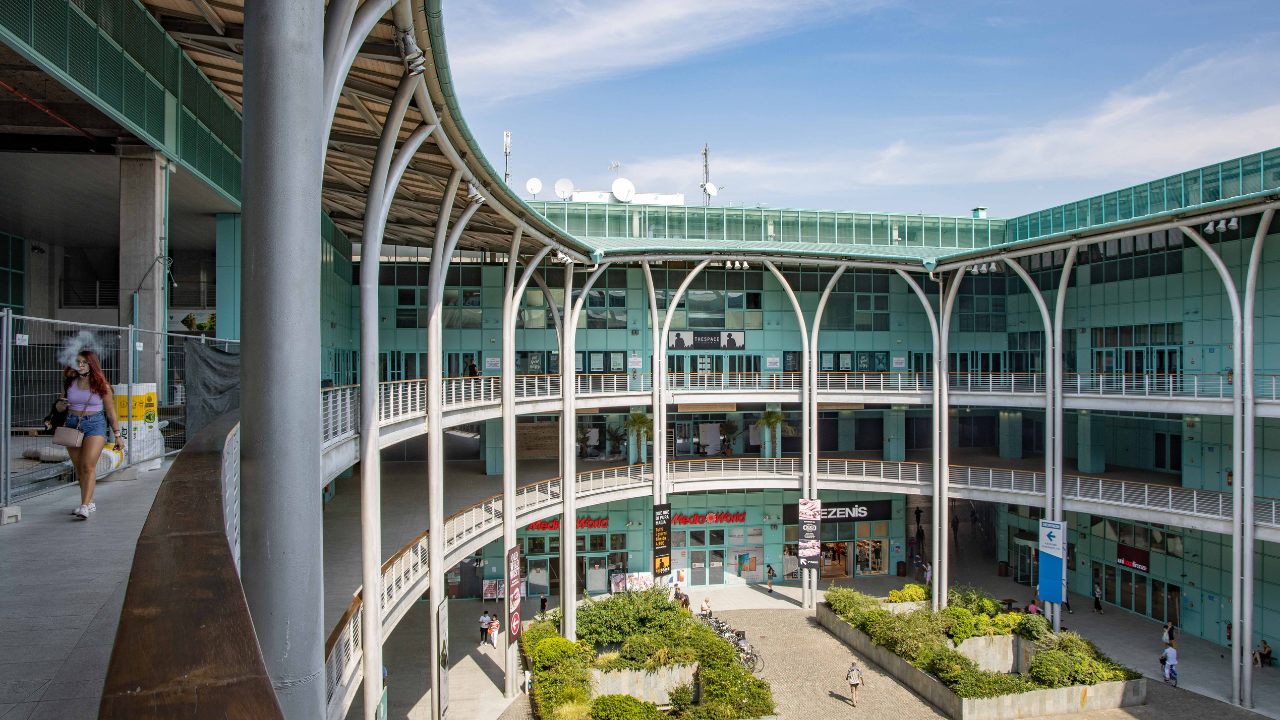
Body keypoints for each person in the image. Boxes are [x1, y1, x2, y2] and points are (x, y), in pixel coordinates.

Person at [59, 351, 124, 521]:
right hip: (73, 423)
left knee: (89, 466)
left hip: (95, 424)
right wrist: (60, 404)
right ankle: (89, 501)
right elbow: (59, 408)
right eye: (78, 362)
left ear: (92, 365)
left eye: (84, 362)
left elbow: (110, 412)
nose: (79, 365)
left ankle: (84, 506)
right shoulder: (70, 382)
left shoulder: (102, 386)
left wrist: (117, 435)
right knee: (80, 469)